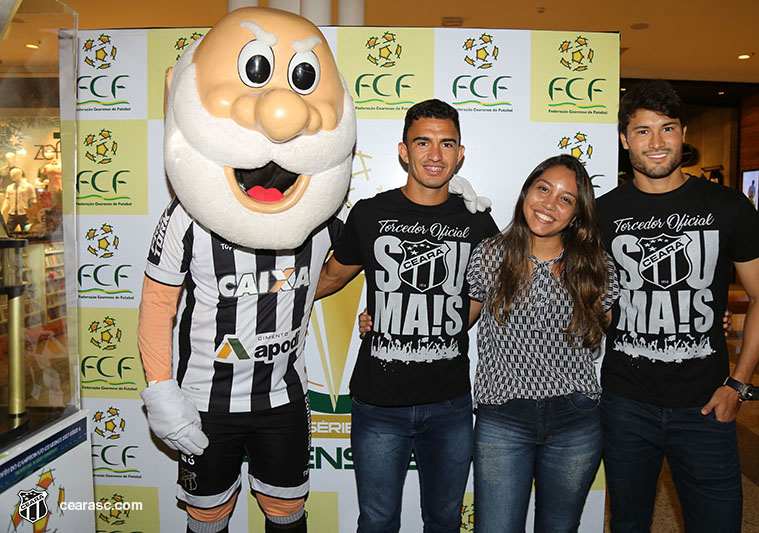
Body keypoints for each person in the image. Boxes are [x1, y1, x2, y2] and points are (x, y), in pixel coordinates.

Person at [137, 8, 357, 533]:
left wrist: (448, 203)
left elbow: (371, 245)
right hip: (204, 402)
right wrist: (161, 389)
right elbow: (158, 305)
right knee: (208, 514)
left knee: (286, 513)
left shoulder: (325, 214)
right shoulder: (186, 216)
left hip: (282, 399)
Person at [597, 80, 759, 532]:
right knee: (629, 523)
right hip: (626, 403)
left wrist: (739, 385)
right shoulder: (602, 213)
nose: (656, 143)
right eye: (642, 131)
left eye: (667, 129)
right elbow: (592, 301)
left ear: (682, 133)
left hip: (707, 402)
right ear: (624, 140)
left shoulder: (728, 206)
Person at [315, 98, 499, 533]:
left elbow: (480, 300)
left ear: (460, 153)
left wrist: (421, 318)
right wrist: (263, 297)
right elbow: (329, 278)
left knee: (444, 520)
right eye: (423, 143)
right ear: (403, 150)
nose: (435, 155)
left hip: (450, 402)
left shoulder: (479, 224)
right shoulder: (371, 213)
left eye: (446, 143)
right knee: (377, 521)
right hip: (379, 403)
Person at [466, 154, 618, 532]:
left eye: (566, 199)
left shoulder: (596, 264)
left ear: (577, 214)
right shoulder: (490, 255)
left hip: (576, 418)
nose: (549, 204)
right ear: (526, 193)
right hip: (502, 416)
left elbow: (627, 327)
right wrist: (383, 320)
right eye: (543, 189)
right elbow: (454, 321)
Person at [3, 167, 37, 232]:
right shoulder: (9, 188)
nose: (12, 176)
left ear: (19, 174)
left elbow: (33, 200)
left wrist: (33, 213)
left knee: (27, 231)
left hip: (24, 214)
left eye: (14, 175)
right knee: (8, 232)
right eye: (11, 175)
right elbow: (7, 200)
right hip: (12, 214)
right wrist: (2, 210)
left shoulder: (29, 187)